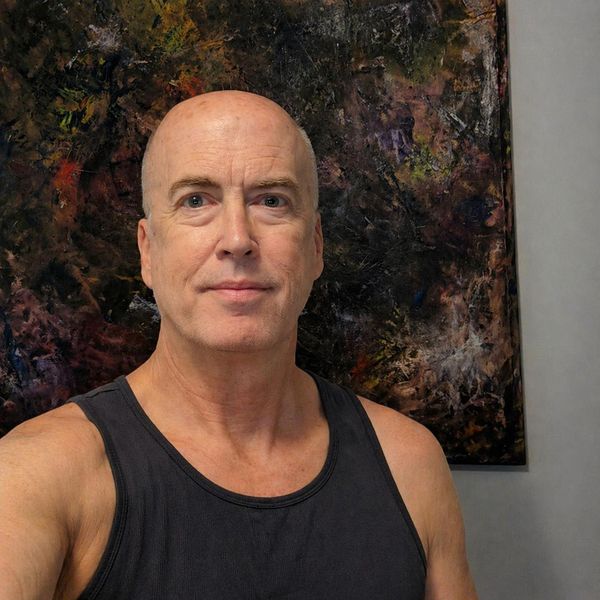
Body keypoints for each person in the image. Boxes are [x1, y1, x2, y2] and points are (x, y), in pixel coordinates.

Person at [0, 91, 477, 599]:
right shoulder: (35, 475)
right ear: (148, 251)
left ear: (315, 246)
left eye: (271, 201)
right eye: (196, 200)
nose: (237, 239)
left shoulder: (409, 465)